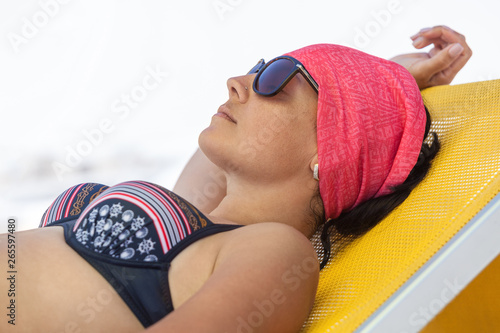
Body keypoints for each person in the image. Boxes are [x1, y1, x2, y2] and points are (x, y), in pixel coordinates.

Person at [0, 26, 471, 333]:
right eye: (256, 67)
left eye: (277, 80)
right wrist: (393, 76)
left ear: (328, 155)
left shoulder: (274, 254)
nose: (237, 82)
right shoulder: (197, 222)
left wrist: (374, 97)